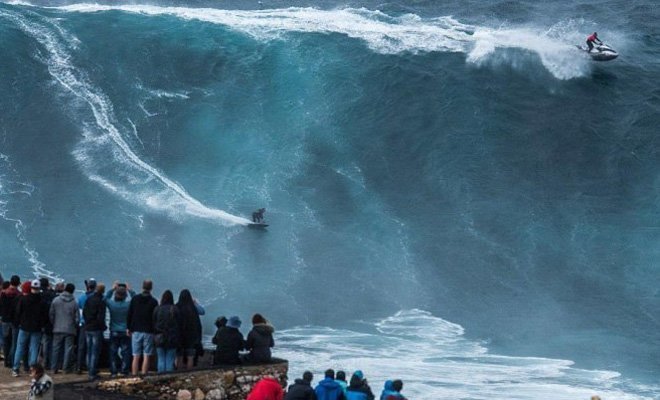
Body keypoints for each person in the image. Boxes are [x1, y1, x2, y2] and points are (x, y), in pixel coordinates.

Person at [12, 279, 48, 377]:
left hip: (24, 327)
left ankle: (15, 369)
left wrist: (17, 323)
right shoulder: (42, 302)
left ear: (31, 288)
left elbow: (18, 312)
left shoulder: (24, 299)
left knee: (20, 348)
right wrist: (42, 326)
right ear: (39, 288)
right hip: (36, 328)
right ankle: (32, 369)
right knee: (34, 349)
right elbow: (44, 316)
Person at [127, 279, 158, 376]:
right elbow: (155, 317)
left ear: (142, 287)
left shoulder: (135, 299)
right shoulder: (153, 301)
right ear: (151, 288)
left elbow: (130, 314)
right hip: (148, 331)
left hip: (136, 330)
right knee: (146, 355)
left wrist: (128, 328)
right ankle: (144, 376)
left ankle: (134, 375)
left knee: (135, 356)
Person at [105, 283, 135, 377]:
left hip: (114, 330)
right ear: (125, 295)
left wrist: (112, 289)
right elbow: (135, 299)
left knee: (113, 352)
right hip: (125, 330)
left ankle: (113, 371)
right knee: (125, 352)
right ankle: (124, 370)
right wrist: (130, 290)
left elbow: (105, 298)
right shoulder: (128, 305)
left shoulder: (112, 304)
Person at [49, 283, 79, 374]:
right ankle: (65, 368)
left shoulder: (56, 300)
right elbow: (77, 318)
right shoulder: (74, 302)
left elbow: (51, 314)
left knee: (55, 349)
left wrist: (54, 323)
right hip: (70, 329)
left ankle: (54, 368)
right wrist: (75, 326)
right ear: (73, 291)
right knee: (68, 349)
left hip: (57, 327)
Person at [82, 283, 106, 380]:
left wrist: (87, 321)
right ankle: (92, 372)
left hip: (88, 327)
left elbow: (84, 312)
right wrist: (103, 326)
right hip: (96, 328)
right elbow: (101, 317)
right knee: (95, 351)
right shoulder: (101, 301)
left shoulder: (89, 299)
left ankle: (89, 369)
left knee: (89, 349)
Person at [153, 290, 180, 373]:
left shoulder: (157, 308)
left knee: (161, 358)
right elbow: (179, 323)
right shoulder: (175, 309)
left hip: (159, 336)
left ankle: (160, 377)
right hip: (172, 337)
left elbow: (153, 321)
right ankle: (169, 377)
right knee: (170, 359)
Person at [175, 289, 202, 370]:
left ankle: (177, 373)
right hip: (191, 337)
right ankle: (188, 373)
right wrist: (196, 303)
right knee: (190, 357)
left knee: (179, 357)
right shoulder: (193, 308)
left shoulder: (177, 307)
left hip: (179, 336)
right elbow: (202, 311)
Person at [76, 278, 96, 374]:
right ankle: (90, 367)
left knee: (81, 346)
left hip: (83, 324)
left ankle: (79, 366)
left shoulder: (81, 298)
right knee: (92, 347)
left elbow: (79, 312)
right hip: (93, 325)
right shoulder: (97, 297)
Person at [1, 275, 21, 368]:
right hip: (14, 321)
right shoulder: (18, 294)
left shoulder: (3, 293)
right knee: (14, 342)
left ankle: (6, 360)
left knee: (5, 341)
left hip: (5, 319)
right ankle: (11, 360)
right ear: (18, 283)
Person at [39, 278, 57, 372]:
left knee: (38, 343)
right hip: (49, 321)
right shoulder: (51, 294)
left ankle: (36, 362)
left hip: (38, 322)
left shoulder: (38, 294)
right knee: (48, 343)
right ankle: (47, 362)